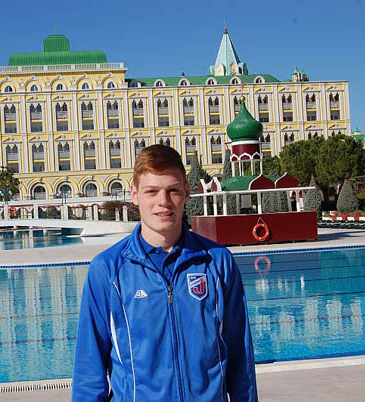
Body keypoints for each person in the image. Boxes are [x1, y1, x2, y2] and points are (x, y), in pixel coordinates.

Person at [72, 145, 257, 401]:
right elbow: (88, 369)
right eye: (152, 191)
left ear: (186, 192)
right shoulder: (108, 270)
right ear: (135, 195)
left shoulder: (217, 262)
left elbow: (240, 356)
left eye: (172, 190)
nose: (163, 201)